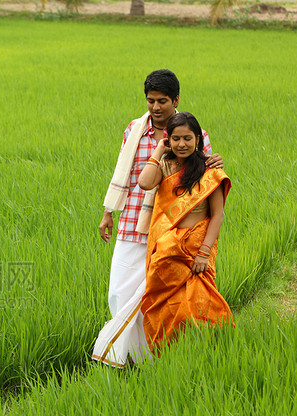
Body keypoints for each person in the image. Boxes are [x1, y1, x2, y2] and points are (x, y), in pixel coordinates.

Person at [91, 70, 222, 367]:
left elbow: (204, 183)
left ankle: (150, 358)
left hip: (170, 232)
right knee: (120, 292)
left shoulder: (193, 134)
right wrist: (108, 211)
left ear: (175, 100)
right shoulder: (135, 129)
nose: (156, 107)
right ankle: (132, 354)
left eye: (162, 101)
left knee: (156, 295)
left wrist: (213, 160)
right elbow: (124, 172)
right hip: (132, 224)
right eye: (151, 101)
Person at [137, 112, 233, 351]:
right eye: (176, 139)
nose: (181, 144)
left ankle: (208, 351)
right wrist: (159, 151)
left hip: (195, 252)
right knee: (166, 306)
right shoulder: (165, 166)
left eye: (187, 138)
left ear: (198, 139)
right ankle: (168, 353)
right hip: (167, 250)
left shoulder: (210, 171)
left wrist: (203, 252)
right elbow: (145, 183)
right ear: (169, 140)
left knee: (201, 303)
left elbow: (217, 215)